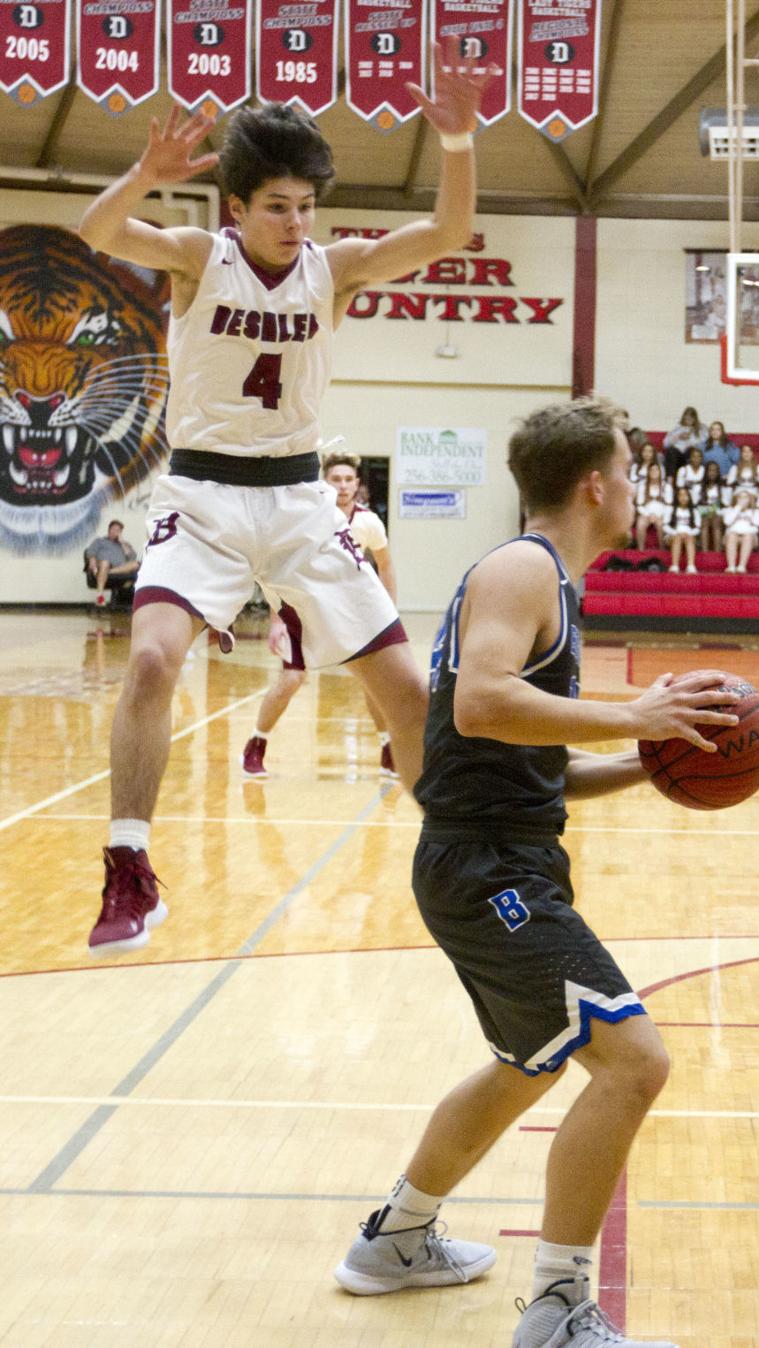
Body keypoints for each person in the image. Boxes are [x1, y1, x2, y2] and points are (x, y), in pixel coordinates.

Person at [331, 396, 735, 1348]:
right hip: (488, 871)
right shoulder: (524, 568)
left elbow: (528, 762)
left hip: (500, 854)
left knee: (528, 1065)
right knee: (634, 1063)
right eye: (630, 471)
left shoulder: (548, 582)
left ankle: (396, 1238)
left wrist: (652, 760)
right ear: (595, 483)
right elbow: (481, 703)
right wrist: (636, 714)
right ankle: (557, 1311)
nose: (635, 488)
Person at [76, 55, 490, 956]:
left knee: (410, 693)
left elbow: (450, 229)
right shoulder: (199, 258)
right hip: (202, 495)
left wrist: (456, 135)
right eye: (277, 205)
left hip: (301, 499)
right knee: (150, 663)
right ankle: (129, 863)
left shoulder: (333, 269)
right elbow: (99, 230)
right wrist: (144, 178)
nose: (295, 221)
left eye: (306, 205)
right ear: (238, 208)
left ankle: (461, 857)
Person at [240, 448, 399, 778]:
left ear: (357, 484)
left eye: (348, 480)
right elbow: (278, 570)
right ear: (323, 482)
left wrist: (388, 612)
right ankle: (257, 744)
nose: (342, 486)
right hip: (303, 608)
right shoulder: (305, 518)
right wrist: (275, 622)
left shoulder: (369, 522)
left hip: (350, 611)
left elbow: (385, 565)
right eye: (335, 479)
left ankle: (388, 749)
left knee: (374, 683)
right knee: (291, 679)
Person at [84, 520, 139, 605]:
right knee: (105, 563)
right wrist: (92, 563)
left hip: (120, 570)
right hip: (103, 565)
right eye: (114, 529)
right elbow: (90, 552)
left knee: (136, 564)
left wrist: (123, 543)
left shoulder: (125, 544)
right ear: (109, 530)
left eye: (118, 530)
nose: (116, 532)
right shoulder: (100, 541)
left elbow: (132, 558)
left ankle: (107, 573)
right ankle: (100, 596)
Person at [722, 486, 759, 573]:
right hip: (733, 536)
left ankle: (742, 566)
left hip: (749, 537)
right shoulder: (730, 510)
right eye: (740, 497)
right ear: (736, 499)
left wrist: (743, 531)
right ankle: (731, 566)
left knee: (748, 536)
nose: (743, 500)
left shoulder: (754, 511)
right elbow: (727, 522)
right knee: (732, 535)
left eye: (745, 497)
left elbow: (757, 525)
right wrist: (738, 508)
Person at [634, 462, 671, 549]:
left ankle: (662, 549)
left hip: (662, 514)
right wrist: (649, 515)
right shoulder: (642, 486)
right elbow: (639, 504)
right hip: (646, 513)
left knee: (661, 525)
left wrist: (660, 515)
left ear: (660, 472)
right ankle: (640, 550)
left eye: (656, 470)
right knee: (640, 524)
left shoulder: (666, 486)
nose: (654, 472)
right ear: (648, 472)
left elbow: (669, 505)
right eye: (651, 470)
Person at [666, 485, 700, 574]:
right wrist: (676, 533)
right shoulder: (671, 509)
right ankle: (674, 565)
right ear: (677, 497)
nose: (683, 498)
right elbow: (665, 526)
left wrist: (688, 533)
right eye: (680, 495)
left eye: (685, 495)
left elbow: (697, 528)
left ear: (689, 497)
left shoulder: (694, 511)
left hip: (689, 535)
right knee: (677, 538)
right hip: (672, 535)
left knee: (690, 538)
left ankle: (691, 565)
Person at [697, 461, 726, 553]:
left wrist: (714, 510)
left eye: (715, 470)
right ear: (706, 472)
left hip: (719, 512)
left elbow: (726, 505)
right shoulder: (699, 487)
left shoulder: (723, 487)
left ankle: (717, 552)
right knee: (704, 520)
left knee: (716, 520)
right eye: (710, 470)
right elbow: (695, 504)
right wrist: (708, 510)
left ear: (718, 473)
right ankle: (704, 552)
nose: (712, 473)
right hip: (703, 512)